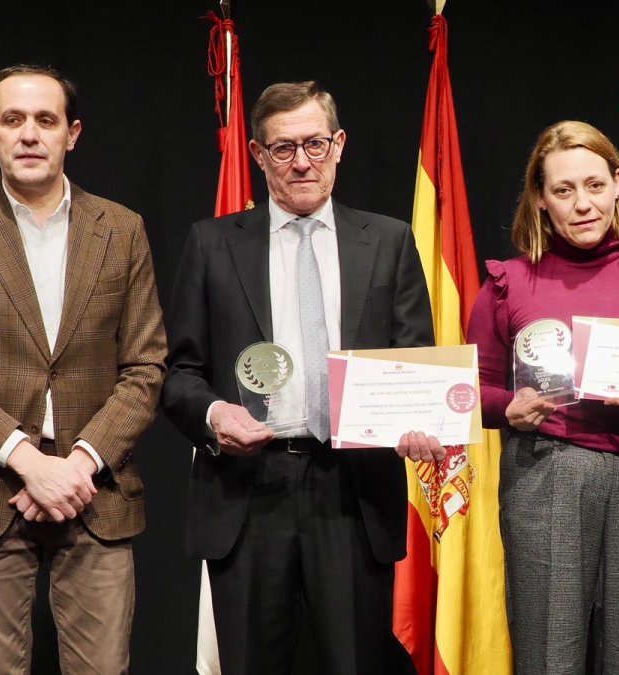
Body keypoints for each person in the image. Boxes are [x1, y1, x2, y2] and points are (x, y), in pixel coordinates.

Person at [161, 80, 436, 674]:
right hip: (247, 489)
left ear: (340, 145)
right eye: (284, 148)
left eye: (315, 143)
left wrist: (419, 423)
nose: (302, 161)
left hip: (354, 488)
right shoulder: (212, 245)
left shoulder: (388, 241)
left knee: (354, 664)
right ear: (258, 155)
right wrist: (213, 416)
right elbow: (178, 373)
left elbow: (415, 364)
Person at [0, 64, 167, 673]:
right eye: (12, 120)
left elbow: (146, 368)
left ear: (71, 134)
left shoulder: (122, 230)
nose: (29, 134)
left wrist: (76, 467)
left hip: (95, 491)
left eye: (45, 120)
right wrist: (27, 460)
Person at [466, 120, 619, 675]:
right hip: (545, 471)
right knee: (549, 655)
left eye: (595, 185)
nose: (582, 204)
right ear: (541, 199)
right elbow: (476, 390)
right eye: (564, 190)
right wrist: (510, 408)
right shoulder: (507, 281)